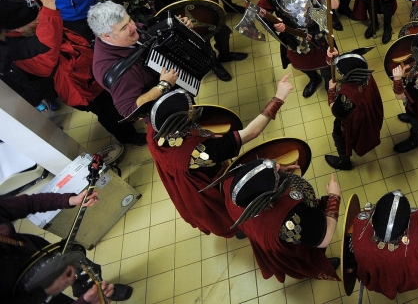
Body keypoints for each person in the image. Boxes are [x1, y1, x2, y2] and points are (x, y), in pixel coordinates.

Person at [147, 74, 293, 237]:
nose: (193, 109)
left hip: (180, 170)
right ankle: (241, 226)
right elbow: (252, 132)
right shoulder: (202, 151)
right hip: (209, 180)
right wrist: (278, 98)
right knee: (233, 202)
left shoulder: (153, 129)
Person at [0, 0, 142, 144]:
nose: (41, 20)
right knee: (108, 112)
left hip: (91, 73)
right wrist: (49, 10)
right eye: (35, 21)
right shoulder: (16, 51)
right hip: (81, 88)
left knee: (116, 100)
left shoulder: (34, 28)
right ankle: (129, 137)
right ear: (17, 29)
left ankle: (130, 115)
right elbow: (47, 50)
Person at [223, 159, 342, 282]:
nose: (279, 165)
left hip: (255, 229)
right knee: (307, 260)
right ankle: (312, 271)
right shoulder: (291, 219)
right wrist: (334, 197)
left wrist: (272, 171)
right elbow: (325, 238)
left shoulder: (230, 184)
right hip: (291, 239)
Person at [0, 191, 130, 303]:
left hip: (35, 252)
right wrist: (51, 290)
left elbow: (29, 203)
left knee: (76, 263)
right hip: (25, 294)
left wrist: (71, 200)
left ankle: (91, 286)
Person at [257, 0, 337, 98]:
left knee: (327, 62)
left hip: (317, 31)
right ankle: (314, 79)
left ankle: (329, 82)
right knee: (302, 65)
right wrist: (275, 23)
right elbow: (262, 12)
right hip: (293, 36)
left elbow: (334, 5)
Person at [324, 49, 384, 170]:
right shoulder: (365, 75)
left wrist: (331, 91)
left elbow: (337, 112)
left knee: (339, 137)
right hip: (369, 112)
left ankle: (344, 162)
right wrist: (337, 58)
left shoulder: (347, 95)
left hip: (352, 122)